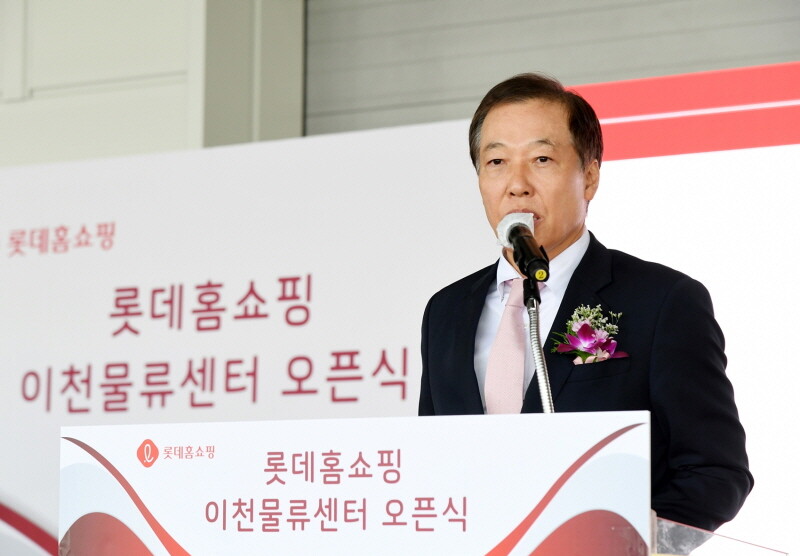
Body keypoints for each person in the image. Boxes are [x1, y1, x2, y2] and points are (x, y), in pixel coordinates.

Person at [418, 72, 753, 531]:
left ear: (590, 176)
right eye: (496, 161)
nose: (516, 185)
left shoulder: (662, 302)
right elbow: (432, 464)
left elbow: (715, 472)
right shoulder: (446, 311)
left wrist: (625, 541)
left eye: (541, 159)